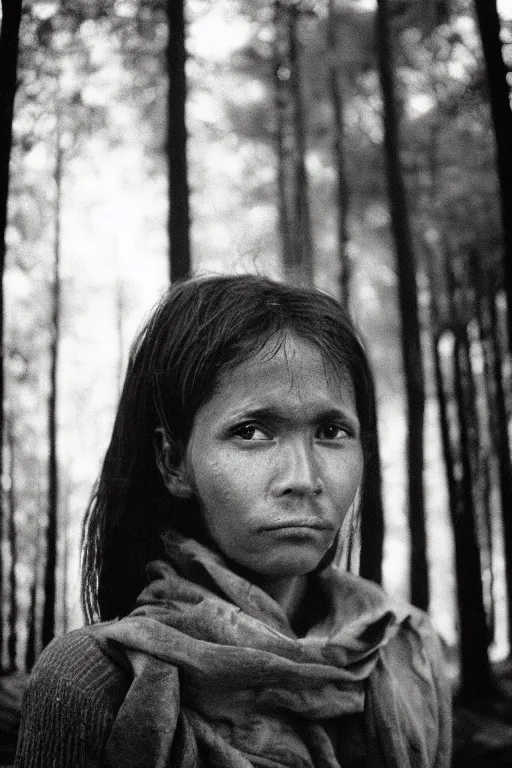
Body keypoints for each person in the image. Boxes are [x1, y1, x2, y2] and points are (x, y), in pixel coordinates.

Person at [15, 274, 452, 768]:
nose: (303, 478)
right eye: (251, 432)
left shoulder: (406, 653)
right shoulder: (90, 679)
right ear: (173, 462)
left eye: (331, 431)